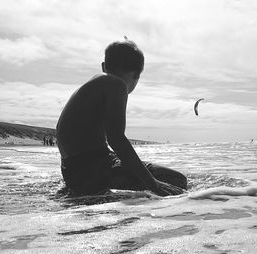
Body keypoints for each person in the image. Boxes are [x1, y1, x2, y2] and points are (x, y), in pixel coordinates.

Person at [56, 39, 187, 196]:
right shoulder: (116, 85)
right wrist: (152, 183)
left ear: (104, 66)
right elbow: (116, 139)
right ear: (137, 76)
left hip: (73, 172)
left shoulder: (96, 83)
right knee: (177, 180)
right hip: (94, 172)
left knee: (142, 174)